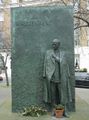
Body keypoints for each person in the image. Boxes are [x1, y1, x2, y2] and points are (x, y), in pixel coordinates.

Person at [43, 39, 72, 117]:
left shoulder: (63, 54)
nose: (53, 45)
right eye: (52, 44)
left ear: (59, 45)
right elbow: (45, 64)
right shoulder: (48, 53)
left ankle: (64, 110)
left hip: (61, 78)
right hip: (52, 78)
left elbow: (65, 64)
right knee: (53, 96)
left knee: (63, 95)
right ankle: (53, 109)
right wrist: (45, 74)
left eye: (55, 44)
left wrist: (56, 58)